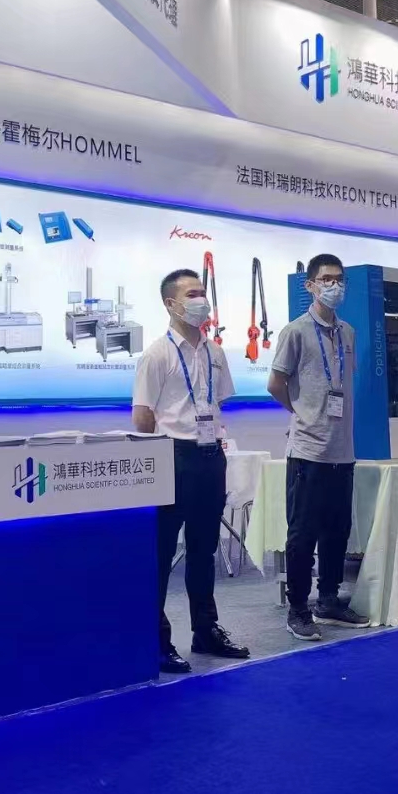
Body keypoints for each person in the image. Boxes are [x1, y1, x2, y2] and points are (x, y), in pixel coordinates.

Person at [132, 268, 249, 674]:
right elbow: (142, 417)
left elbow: (219, 402)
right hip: (172, 455)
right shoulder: (157, 354)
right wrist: (160, 455)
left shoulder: (215, 352)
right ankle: (156, 638)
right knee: (162, 552)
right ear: (171, 304)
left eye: (203, 293)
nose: (202, 300)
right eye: (192, 294)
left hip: (209, 455)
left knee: (204, 549)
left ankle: (205, 629)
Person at [267, 254, 370, 640]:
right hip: (308, 451)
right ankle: (298, 608)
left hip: (343, 450)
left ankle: (329, 600)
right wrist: (303, 413)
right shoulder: (295, 332)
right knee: (302, 534)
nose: (334, 285)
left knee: (337, 530)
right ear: (310, 285)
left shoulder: (348, 332)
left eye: (339, 279)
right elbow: (276, 384)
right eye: (326, 279)